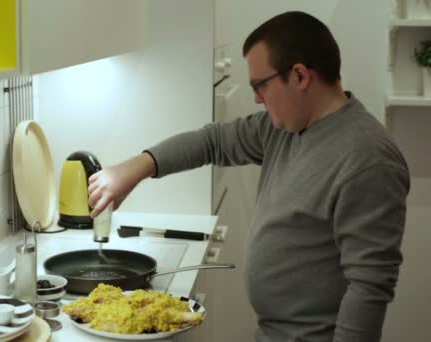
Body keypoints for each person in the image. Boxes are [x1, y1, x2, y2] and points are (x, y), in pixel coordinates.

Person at [86, 10, 410, 342]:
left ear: (299, 76)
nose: (256, 98)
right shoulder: (284, 129)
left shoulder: (368, 158)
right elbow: (211, 141)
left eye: (260, 85)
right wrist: (134, 169)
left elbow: (368, 287)